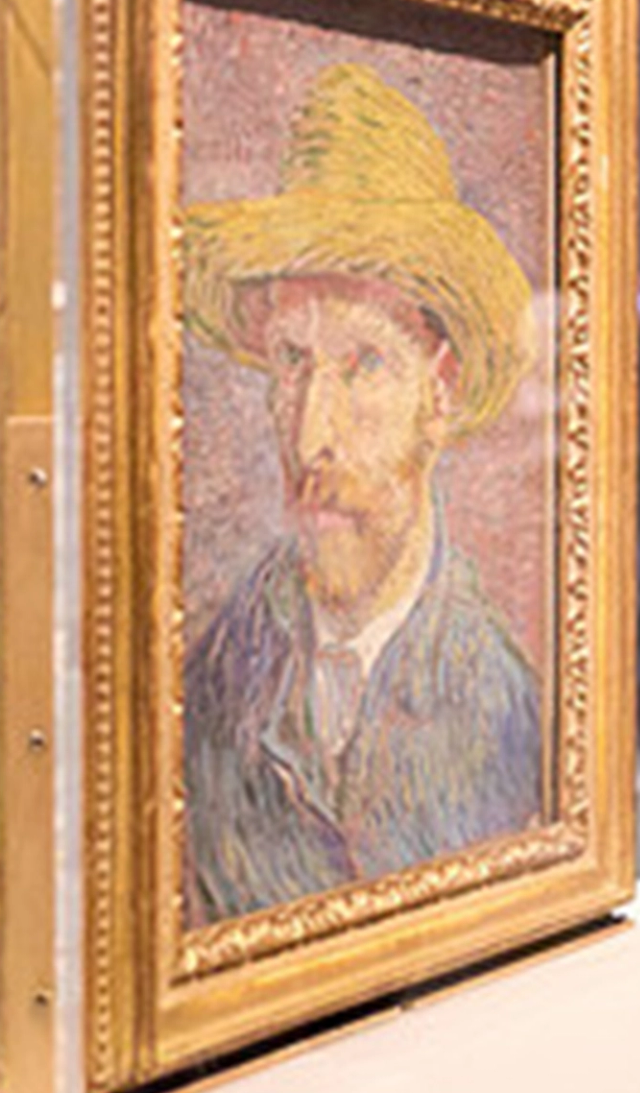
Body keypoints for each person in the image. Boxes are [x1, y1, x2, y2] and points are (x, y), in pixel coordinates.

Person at [179, 63, 547, 924]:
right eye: (292, 363)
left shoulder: (502, 698)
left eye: (365, 365)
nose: (311, 437)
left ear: (442, 392)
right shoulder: (214, 674)